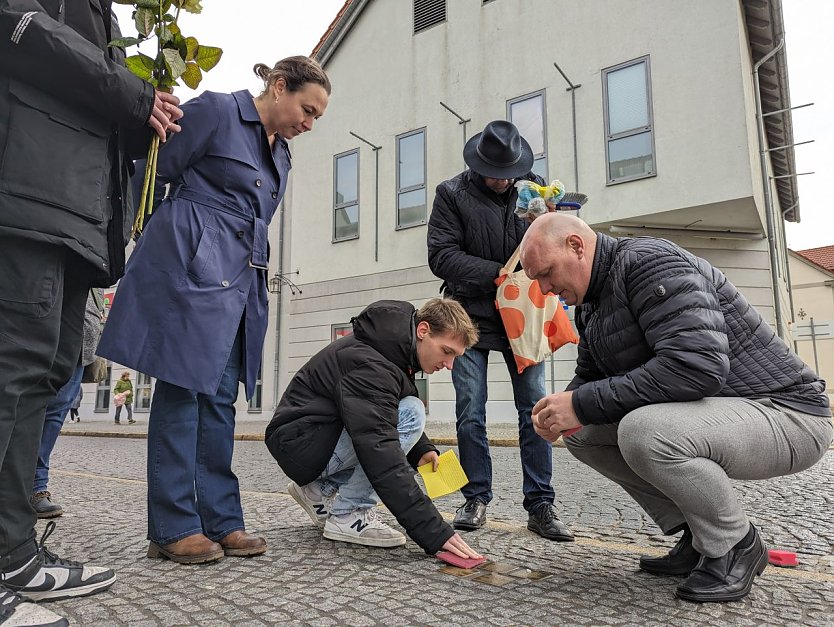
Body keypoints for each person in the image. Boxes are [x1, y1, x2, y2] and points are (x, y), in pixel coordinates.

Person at [520, 213, 833, 603]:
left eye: (546, 273)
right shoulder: (592, 304)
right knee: (582, 433)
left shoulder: (650, 263)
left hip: (789, 413)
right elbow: (591, 377)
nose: (546, 289)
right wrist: (559, 410)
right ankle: (699, 535)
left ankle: (736, 544)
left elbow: (697, 368)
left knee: (644, 430)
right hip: (734, 410)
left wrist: (581, 403)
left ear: (577, 246)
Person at [97, 56, 331, 565]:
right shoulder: (217, 111)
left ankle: (222, 520)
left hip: (243, 279)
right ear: (278, 86)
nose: (308, 124)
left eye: (316, 118)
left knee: (221, 398)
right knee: (183, 391)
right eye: (306, 109)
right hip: (193, 266)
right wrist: (163, 242)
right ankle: (173, 525)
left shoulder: (282, 155)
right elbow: (152, 172)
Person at [0, 0, 182, 621]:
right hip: (26, 190)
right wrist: (133, 96)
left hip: (73, 212)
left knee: (41, 376)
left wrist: (141, 118)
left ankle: (12, 552)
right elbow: (21, 28)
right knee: (10, 373)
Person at [426, 120, 573, 541]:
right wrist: (501, 274)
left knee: (535, 408)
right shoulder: (450, 193)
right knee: (471, 409)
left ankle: (541, 504)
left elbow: (553, 239)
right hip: (469, 317)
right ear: (478, 164)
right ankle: (476, 496)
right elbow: (442, 256)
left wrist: (552, 218)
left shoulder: (534, 187)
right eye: (494, 172)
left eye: (509, 173)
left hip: (524, 315)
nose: (503, 180)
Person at [266, 298, 483, 560]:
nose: (449, 365)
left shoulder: (390, 350)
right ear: (423, 331)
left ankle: (317, 490)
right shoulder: (373, 363)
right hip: (300, 444)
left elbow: (380, 411)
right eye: (447, 352)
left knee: (407, 411)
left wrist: (420, 450)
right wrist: (434, 532)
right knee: (412, 412)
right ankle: (349, 514)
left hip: (306, 437)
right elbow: (380, 450)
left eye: (455, 357)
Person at [31, 290, 106, 520]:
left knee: (57, 410)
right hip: (45, 321)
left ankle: (35, 485)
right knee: (29, 406)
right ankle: (18, 484)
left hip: (82, 335)